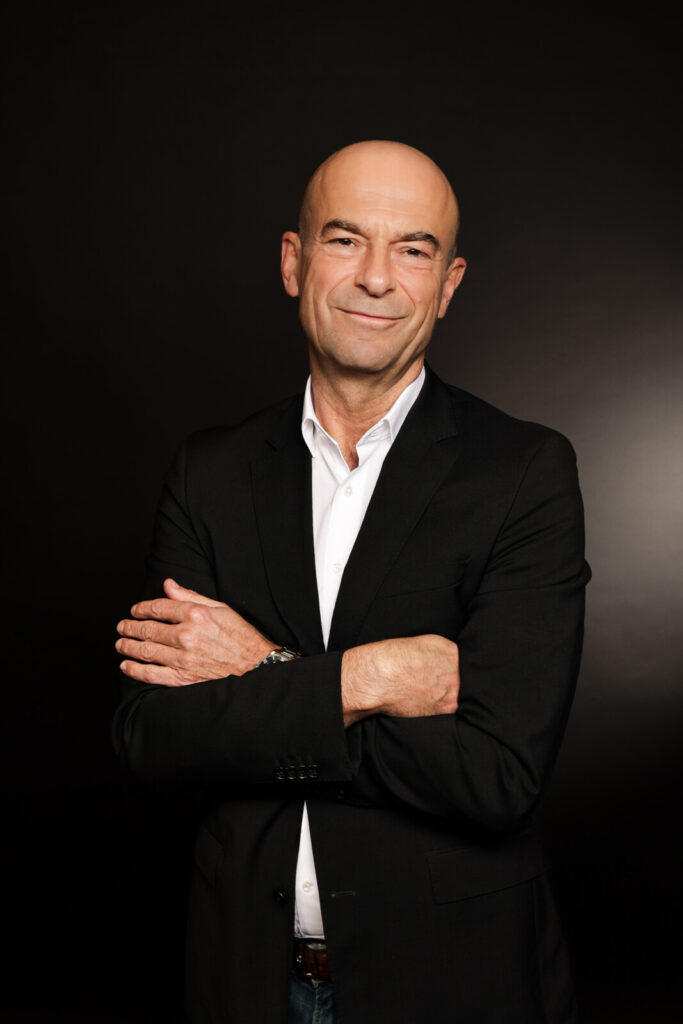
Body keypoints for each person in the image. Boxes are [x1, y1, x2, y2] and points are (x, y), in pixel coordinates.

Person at [113, 140, 590, 1024]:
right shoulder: (208, 471)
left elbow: (496, 775)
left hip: (449, 980)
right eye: (344, 240)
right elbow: (154, 735)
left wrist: (259, 672)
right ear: (293, 263)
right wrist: (365, 680)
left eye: (411, 249)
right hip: (246, 976)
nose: (375, 277)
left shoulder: (524, 472)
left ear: (446, 285)